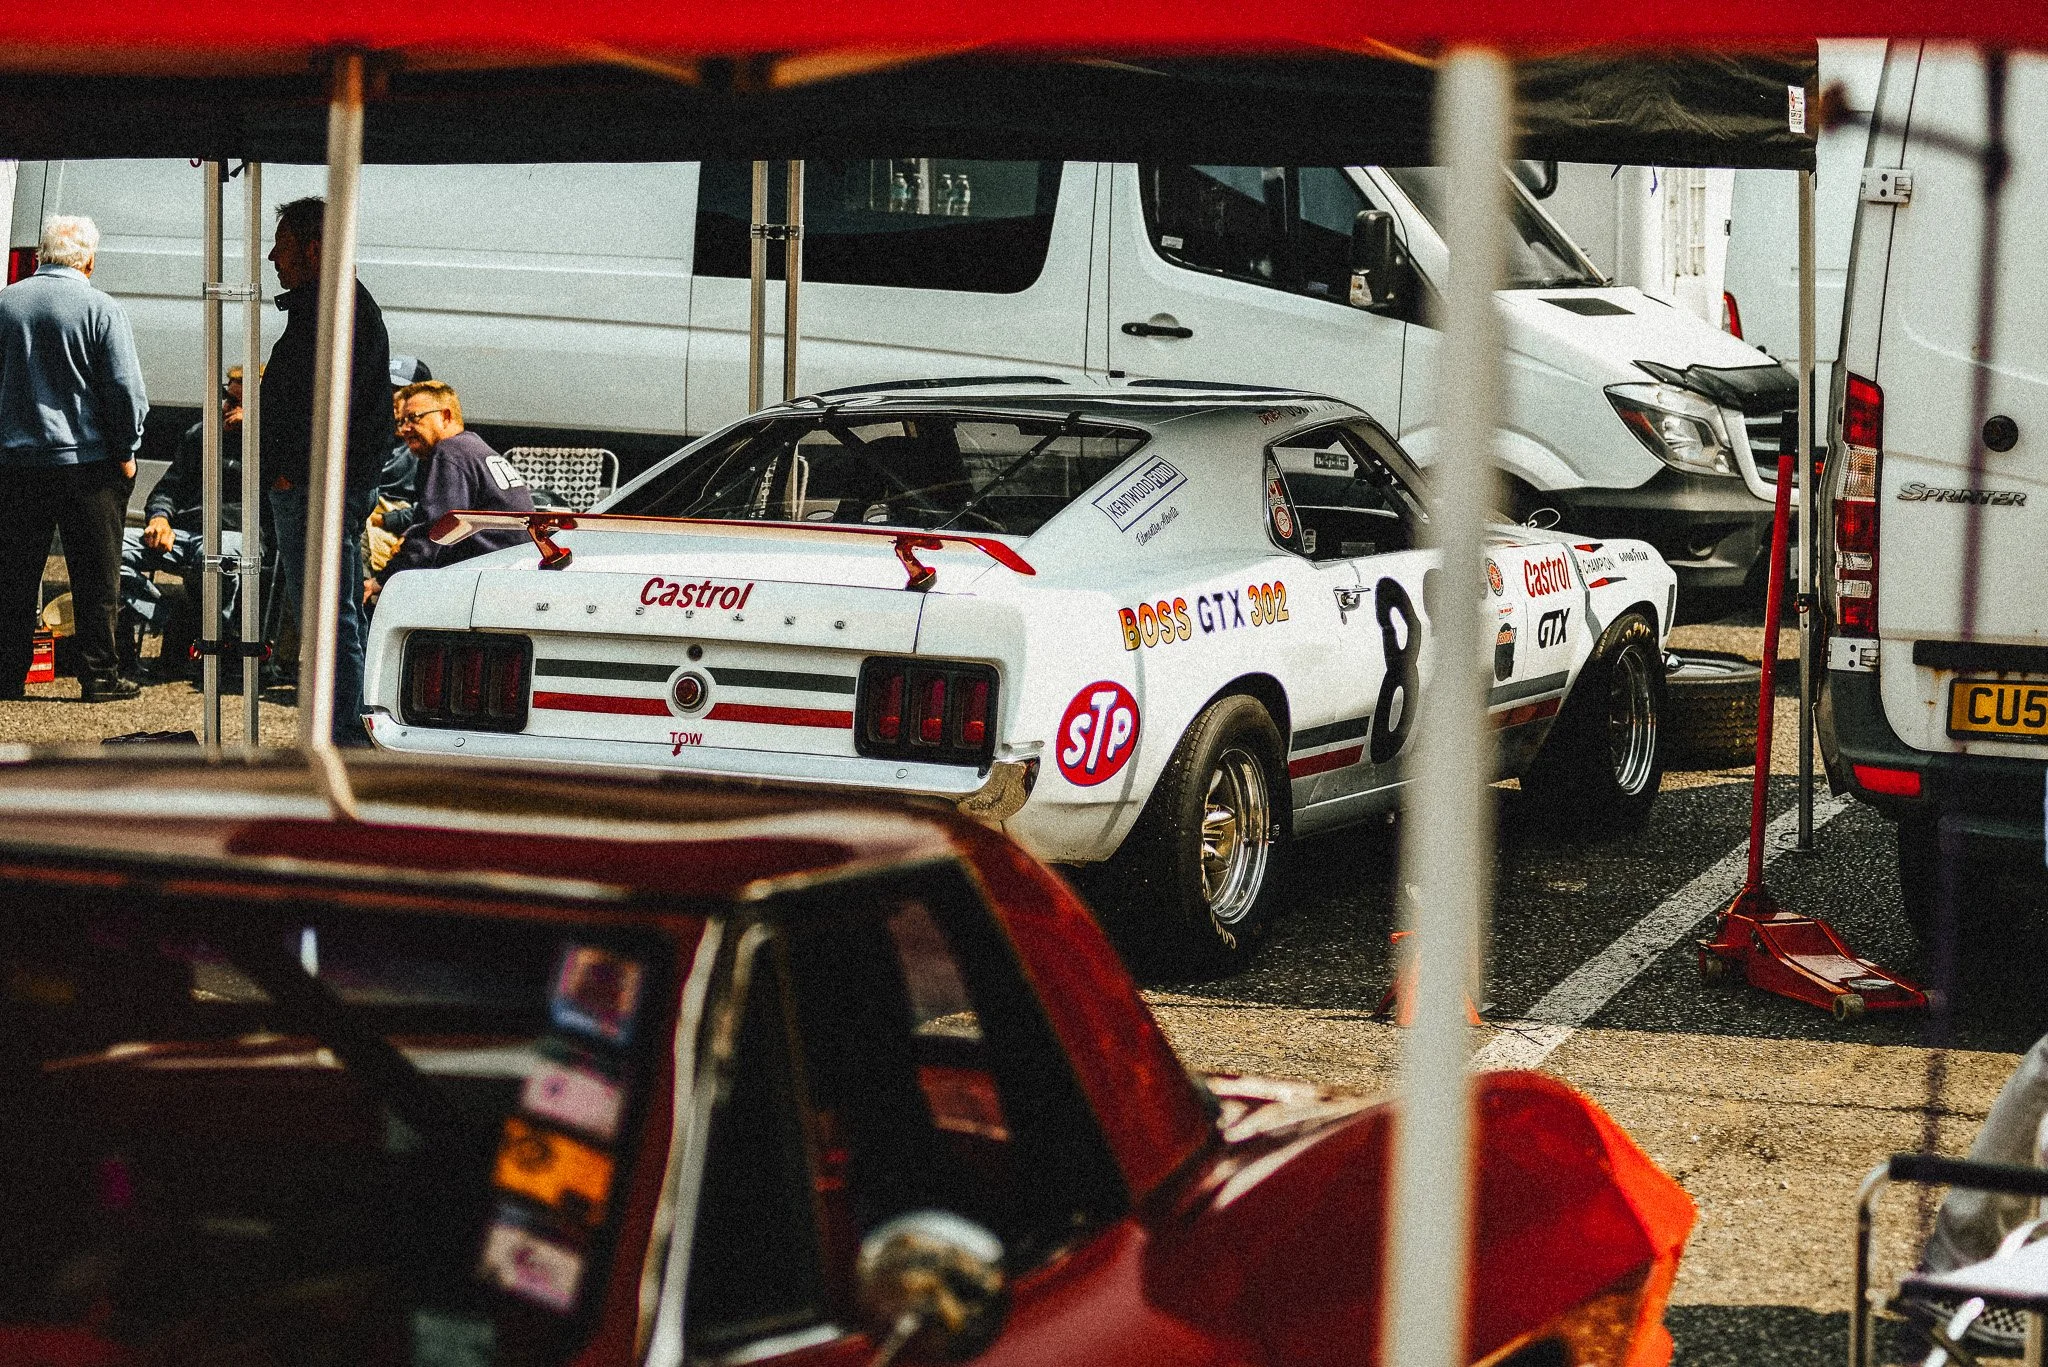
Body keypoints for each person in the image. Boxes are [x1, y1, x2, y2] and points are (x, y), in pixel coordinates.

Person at [262, 196, 394, 746]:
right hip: (319, 483)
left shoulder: (337, 309)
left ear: (316, 248)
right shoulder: (331, 304)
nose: (273, 256)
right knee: (328, 612)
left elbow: (332, 402)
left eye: (285, 246)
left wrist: (295, 471)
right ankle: (345, 725)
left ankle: (347, 731)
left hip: (319, 486)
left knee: (326, 614)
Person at [0, 216, 147, 703]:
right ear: (89, 260)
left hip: (16, 465)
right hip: (88, 466)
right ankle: (99, 677)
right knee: (97, 578)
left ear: (42, 254)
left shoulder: (5, 304)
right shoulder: (101, 308)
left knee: (14, 576)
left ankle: (7, 674)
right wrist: (126, 448)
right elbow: (123, 390)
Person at [123, 367, 247, 677]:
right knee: (104, 549)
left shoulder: (275, 444)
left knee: (215, 559)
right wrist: (160, 518)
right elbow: (168, 488)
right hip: (186, 530)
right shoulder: (201, 435)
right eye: (227, 399)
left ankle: (214, 641)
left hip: (235, 531)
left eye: (239, 403)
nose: (229, 409)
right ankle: (171, 620)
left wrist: (260, 432)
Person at [369, 380, 533, 601]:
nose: (405, 429)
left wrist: (383, 580)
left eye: (414, 418)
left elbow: (437, 530)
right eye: (401, 421)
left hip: (482, 578)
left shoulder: (449, 453)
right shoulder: (473, 447)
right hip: (511, 571)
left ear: (445, 416)